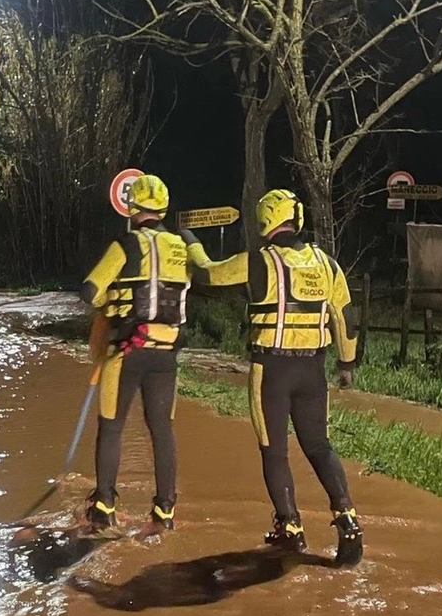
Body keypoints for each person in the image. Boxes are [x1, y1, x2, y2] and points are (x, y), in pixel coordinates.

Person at [182, 188, 362, 562]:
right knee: (320, 447)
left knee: (274, 451)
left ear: (265, 220)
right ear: (297, 219)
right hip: (314, 371)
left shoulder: (257, 262)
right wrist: (346, 364)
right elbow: (345, 316)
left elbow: (209, 274)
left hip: (272, 371)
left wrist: (192, 243)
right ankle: (347, 518)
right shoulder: (327, 264)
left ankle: (290, 527)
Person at [78, 174, 191, 534]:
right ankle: (165, 511)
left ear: (132, 208)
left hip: (126, 352)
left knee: (111, 428)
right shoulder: (182, 246)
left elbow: (90, 290)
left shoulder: (124, 245)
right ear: (162, 208)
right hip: (165, 356)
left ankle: (104, 506)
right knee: (162, 429)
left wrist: (110, 304)